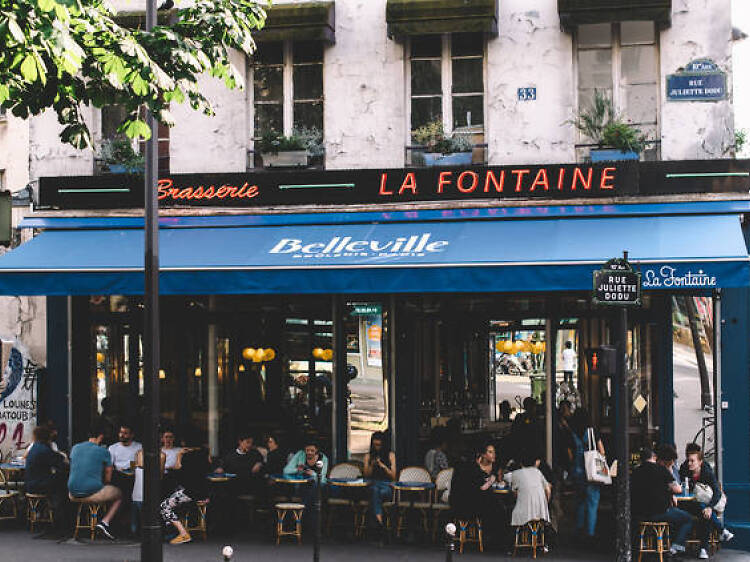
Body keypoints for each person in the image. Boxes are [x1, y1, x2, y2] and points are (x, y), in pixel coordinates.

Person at [631, 446, 693, 557]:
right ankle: (676, 548)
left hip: (639, 515)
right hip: (659, 513)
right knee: (687, 519)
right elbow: (678, 489)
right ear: (654, 457)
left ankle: (657, 546)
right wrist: (669, 472)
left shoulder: (635, 472)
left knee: (675, 517)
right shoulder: (660, 469)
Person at [67, 424, 122, 540]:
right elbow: (108, 478)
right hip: (91, 492)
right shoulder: (103, 451)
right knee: (119, 495)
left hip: (72, 493)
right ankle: (104, 523)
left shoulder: (75, 448)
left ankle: (85, 522)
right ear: (101, 436)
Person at [679, 443, 734, 558]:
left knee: (705, 513)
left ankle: (704, 549)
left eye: (692, 460)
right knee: (703, 509)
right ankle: (721, 531)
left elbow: (717, 491)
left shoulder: (706, 471)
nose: (689, 462)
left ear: (700, 461)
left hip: (704, 504)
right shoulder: (684, 469)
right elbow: (681, 487)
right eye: (688, 459)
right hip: (688, 504)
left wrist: (709, 507)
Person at [449, 442, 507, 550]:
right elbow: (482, 488)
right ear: (481, 455)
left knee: (494, 505)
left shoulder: (465, 467)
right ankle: (496, 540)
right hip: (467, 506)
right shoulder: (471, 468)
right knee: (497, 508)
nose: (493, 454)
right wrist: (492, 480)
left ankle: (489, 538)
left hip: (458, 505)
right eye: (490, 452)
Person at [160, 434, 211, 545]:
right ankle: (172, 532)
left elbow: (179, 471)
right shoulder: (204, 453)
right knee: (173, 497)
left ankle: (182, 533)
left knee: (164, 506)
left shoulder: (188, 456)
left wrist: (179, 456)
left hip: (191, 492)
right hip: (202, 492)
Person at [25, 425, 70, 537]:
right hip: (39, 484)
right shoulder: (44, 449)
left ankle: (57, 521)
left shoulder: (36, 447)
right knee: (63, 487)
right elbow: (59, 463)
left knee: (59, 483)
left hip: (31, 483)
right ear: (47, 438)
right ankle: (61, 523)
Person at [568, 408, 605, 543]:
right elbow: (602, 451)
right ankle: (590, 533)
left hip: (577, 472)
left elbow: (570, 455)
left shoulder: (571, 433)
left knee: (579, 502)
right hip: (592, 473)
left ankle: (579, 529)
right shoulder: (593, 432)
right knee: (592, 503)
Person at [362, 431, 397, 531]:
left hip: (386, 485)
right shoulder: (368, 456)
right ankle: (380, 522)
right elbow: (366, 475)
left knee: (375, 493)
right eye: (375, 445)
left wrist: (384, 467)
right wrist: (372, 465)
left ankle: (378, 524)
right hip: (373, 483)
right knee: (375, 491)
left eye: (379, 445)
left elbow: (394, 476)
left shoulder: (391, 455)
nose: (377, 447)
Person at [510, 449, 551, 527]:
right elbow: (548, 490)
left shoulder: (516, 473)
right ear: (535, 462)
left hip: (523, 514)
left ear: (520, 463)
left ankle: (518, 537)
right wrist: (545, 504)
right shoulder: (538, 472)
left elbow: (515, 494)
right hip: (541, 514)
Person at [131, 448, 165, 537]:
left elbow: (134, 469)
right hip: (148, 492)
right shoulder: (161, 455)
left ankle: (137, 532)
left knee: (137, 514)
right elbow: (160, 475)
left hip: (139, 493)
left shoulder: (138, 453)